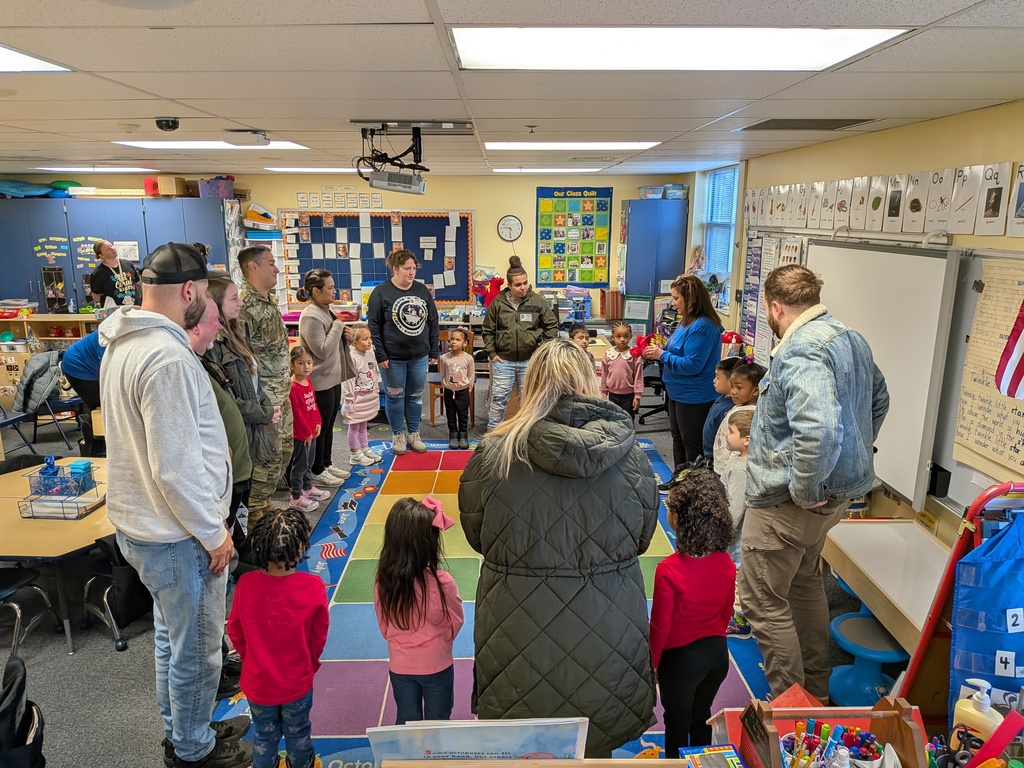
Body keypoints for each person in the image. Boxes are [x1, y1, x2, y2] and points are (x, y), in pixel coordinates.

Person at [459, 339, 659, 758]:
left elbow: (477, 535)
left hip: (517, 622)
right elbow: (642, 538)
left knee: (525, 749)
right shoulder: (632, 457)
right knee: (597, 742)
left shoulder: (494, 454)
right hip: (608, 621)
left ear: (531, 385)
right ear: (590, 381)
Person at [98, 242, 252, 768]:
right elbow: (176, 467)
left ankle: (185, 728)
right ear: (189, 291)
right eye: (204, 297)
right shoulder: (166, 358)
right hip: (177, 535)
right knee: (197, 652)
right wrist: (214, 533)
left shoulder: (123, 342)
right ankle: (192, 749)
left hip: (146, 526)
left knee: (171, 640)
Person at [740, 264, 889, 702]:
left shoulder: (800, 350)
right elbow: (878, 401)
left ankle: (789, 711)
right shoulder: (849, 337)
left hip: (788, 504)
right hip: (832, 503)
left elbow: (819, 430)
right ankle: (816, 694)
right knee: (804, 584)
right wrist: (842, 467)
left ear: (775, 306)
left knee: (763, 602)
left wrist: (807, 488)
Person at [226, 508, 329, 768]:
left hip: (257, 683)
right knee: (298, 734)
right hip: (297, 682)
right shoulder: (313, 587)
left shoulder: (247, 584)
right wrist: (310, 664)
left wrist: (252, 660)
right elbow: (318, 636)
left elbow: (235, 631)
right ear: (301, 547)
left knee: (264, 736)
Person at [650, 468, 736, 757]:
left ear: (681, 519)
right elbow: (726, 612)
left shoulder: (668, 570)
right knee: (702, 715)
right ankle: (702, 761)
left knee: (676, 721)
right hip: (716, 655)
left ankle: (675, 762)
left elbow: (660, 627)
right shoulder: (725, 561)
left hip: (681, 661)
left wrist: (653, 664)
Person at [374, 496, 464, 725]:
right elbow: (455, 621)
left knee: (406, 719)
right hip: (437, 664)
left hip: (400, 664)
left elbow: (383, 624)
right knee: (439, 719)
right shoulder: (443, 581)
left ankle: (407, 758)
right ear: (429, 543)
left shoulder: (383, 580)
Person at [204, 274, 282, 537]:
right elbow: (227, 397)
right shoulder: (212, 344)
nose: (240, 303)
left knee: (250, 482)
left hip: (253, 418)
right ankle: (240, 540)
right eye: (233, 298)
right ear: (214, 305)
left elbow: (253, 380)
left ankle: (246, 536)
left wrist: (265, 406)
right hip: (241, 424)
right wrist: (264, 412)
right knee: (238, 489)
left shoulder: (238, 330)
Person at [642, 274, 722, 474]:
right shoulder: (687, 321)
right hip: (677, 391)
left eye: (677, 298)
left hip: (694, 396)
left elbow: (692, 365)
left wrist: (662, 355)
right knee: (678, 438)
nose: (673, 302)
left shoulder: (702, 326)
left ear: (691, 299)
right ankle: (679, 481)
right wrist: (662, 350)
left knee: (692, 445)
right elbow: (678, 350)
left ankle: (693, 490)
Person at [239, 245, 293, 522]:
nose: (277, 268)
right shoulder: (244, 306)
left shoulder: (269, 300)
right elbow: (243, 354)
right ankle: (255, 511)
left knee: (284, 449)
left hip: (282, 390)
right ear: (253, 266)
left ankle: (266, 502)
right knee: (267, 454)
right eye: (271, 263)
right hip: (265, 395)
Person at [367, 249, 440, 455]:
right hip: (392, 358)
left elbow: (433, 320)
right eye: (407, 268)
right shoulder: (381, 292)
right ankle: (397, 435)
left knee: (416, 396)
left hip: (419, 355)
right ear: (395, 269)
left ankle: (414, 434)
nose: (411, 272)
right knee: (395, 396)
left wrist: (433, 349)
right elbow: (374, 325)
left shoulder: (422, 290)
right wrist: (380, 354)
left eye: (414, 268)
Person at [482, 255, 558, 432]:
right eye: (518, 284)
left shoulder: (537, 301)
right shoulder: (498, 304)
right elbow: (488, 330)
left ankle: (527, 436)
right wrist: (492, 353)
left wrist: (541, 350)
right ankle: (492, 435)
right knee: (498, 400)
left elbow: (552, 325)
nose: (523, 287)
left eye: (525, 283)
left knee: (529, 402)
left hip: (530, 361)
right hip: (504, 362)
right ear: (509, 285)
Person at [297, 268, 354, 486]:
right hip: (320, 381)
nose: (334, 291)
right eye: (329, 288)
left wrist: (346, 333)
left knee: (329, 425)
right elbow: (321, 350)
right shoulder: (311, 315)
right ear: (315, 291)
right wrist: (339, 326)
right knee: (320, 427)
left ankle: (326, 463)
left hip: (332, 379)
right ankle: (317, 469)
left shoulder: (325, 310)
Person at [720, 408, 753, 637]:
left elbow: (735, 509)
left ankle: (741, 622)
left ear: (747, 440)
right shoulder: (737, 459)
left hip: (737, 536)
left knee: (738, 577)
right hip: (734, 535)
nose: (725, 435)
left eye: (730, 432)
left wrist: (721, 533)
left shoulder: (743, 469)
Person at [288, 345, 329, 513]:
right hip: (302, 435)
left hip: (312, 432)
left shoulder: (308, 381)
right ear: (292, 365)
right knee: (300, 465)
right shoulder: (293, 387)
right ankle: (296, 497)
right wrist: (306, 432)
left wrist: (318, 422)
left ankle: (307, 487)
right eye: (301, 363)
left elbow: (313, 405)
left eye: (309, 363)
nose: (306, 367)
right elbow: (297, 413)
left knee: (309, 463)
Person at [712, 360, 764, 475]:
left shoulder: (749, 414)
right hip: (720, 465)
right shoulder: (739, 406)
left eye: (739, 388)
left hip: (728, 469)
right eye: (732, 386)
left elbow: (739, 450)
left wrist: (729, 471)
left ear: (755, 391)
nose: (733, 392)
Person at [341, 324, 383, 466]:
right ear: (354, 342)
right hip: (356, 399)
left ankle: (364, 448)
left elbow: (374, 374)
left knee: (363, 425)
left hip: (368, 398)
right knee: (354, 427)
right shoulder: (352, 358)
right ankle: (354, 454)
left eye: (369, 338)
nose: (369, 342)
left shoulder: (370, 354)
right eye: (365, 339)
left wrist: (376, 391)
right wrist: (349, 400)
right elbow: (349, 381)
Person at [702, 356, 743, 469]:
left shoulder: (730, 409)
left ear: (731, 382)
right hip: (709, 455)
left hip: (716, 460)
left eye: (718, 377)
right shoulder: (722, 399)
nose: (714, 380)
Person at [438, 326, 474, 449]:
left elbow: (471, 375)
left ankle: (463, 435)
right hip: (449, 390)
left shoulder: (468, 358)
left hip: (463, 390)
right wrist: (445, 385)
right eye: (452, 339)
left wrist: (468, 389)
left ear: (465, 343)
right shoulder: (444, 358)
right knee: (451, 413)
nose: (453, 342)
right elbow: (442, 374)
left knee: (463, 414)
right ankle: (453, 434)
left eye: (458, 340)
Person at [600, 320, 644, 421]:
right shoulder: (608, 354)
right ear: (612, 338)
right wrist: (603, 392)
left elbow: (638, 376)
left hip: (628, 395)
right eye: (618, 336)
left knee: (627, 420)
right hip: (612, 394)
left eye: (626, 336)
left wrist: (637, 396)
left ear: (630, 336)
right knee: (613, 420)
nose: (622, 339)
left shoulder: (634, 354)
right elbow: (604, 375)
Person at [90, 239, 142, 307]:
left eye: (111, 246)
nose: (112, 249)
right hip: (114, 311)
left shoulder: (128, 264)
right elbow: (96, 297)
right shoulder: (98, 273)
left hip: (135, 307)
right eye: (108, 249)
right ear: (101, 255)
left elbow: (137, 284)